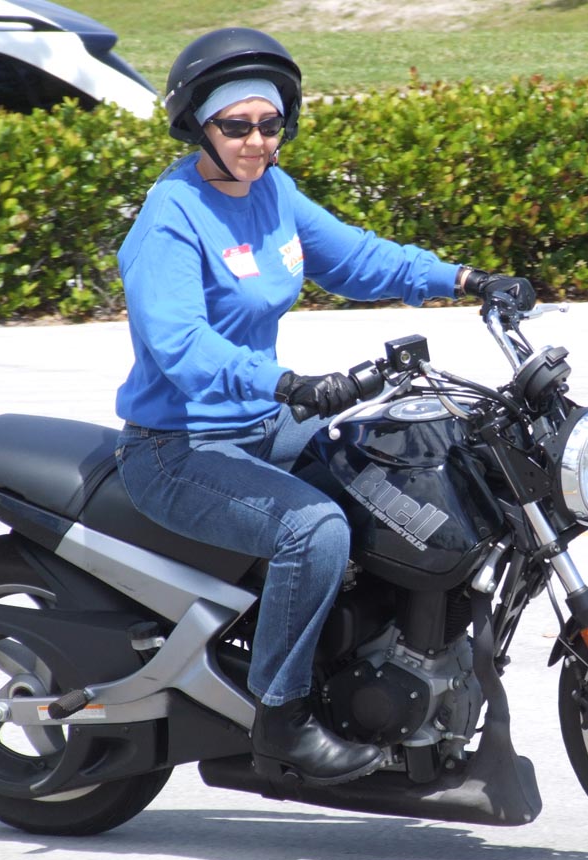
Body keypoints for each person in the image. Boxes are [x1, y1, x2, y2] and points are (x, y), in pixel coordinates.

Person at [113, 27, 535, 787]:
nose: (255, 141)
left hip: (265, 427)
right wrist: (286, 384)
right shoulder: (171, 217)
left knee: (413, 464)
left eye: (269, 124)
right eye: (235, 125)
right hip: (177, 446)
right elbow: (180, 344)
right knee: (313, 529)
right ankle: (281, 717)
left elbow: (358, 258)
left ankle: (392, 662)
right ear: (198, 126)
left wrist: (466, 279)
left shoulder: (272, 192)